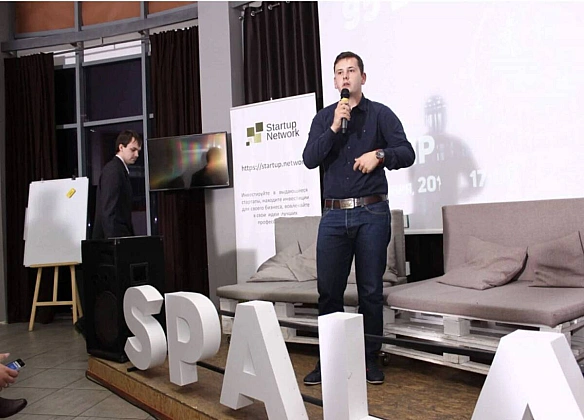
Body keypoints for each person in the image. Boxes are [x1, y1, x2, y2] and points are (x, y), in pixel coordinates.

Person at [302, 51, 415, 385]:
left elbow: (407, 152)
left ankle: (369, 358)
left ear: (362, 78)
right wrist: (334, 127)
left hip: (371, 213)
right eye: (340, 72)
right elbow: (309, 159)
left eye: (351, 70)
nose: (345, 76)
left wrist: (380, 154)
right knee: (329, 292)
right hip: (334, 216)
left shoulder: (381, 115)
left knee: (370, 291)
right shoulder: (325, 118)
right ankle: (330, 359)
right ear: (334, 81)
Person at [92, 130, 142, 239]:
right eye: (133, 150)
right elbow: (109, 211)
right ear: (121, 147)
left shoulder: (117, 169)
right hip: (113, 240)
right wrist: (114, 242)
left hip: (118, 238)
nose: (137, 155)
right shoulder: (114, 170)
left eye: (138, 151)